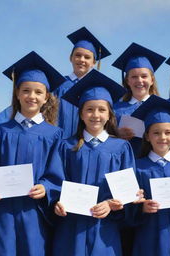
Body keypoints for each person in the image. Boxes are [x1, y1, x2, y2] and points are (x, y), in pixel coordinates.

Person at [52, 69, 138, 256]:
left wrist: (110, 204)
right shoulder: (67, 146)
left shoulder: (121, 148)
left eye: (101, 110)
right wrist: (56, 202)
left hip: (105, 229)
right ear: (81, 114)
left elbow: (128, 193)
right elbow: (55, 181)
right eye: (89, 109)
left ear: (109, 115)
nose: (95, 115)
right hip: (71, 227)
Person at [0, 51, 65, 256]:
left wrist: (46, 187)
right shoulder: (1, 131)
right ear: (17, 94)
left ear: (46, 98)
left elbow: (58, 173)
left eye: (38, 92)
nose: (31, 96)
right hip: (3, 210)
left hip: (35, 212)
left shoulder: (55, 135)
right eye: (26, 90)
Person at [131, 95, 170, 256]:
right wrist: (140, 207)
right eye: (156, 133)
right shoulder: (136, 168)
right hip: (149, 238)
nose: (163, 137)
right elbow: (127, 207)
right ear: (147, 136)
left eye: (168, 132)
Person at [54, 26, 111, 138]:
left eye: (87, 57)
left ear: (94, 62)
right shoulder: (59, 85)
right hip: (59, 143)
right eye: (78, 55)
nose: (82, 60)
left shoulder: (98, 90)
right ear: (71, 58)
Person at [112, 42, 166, 158]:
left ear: (152, 80)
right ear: (127, 81)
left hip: (153, 166)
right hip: (124, 165)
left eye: (144, 76)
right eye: (134, 77)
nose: (139, 81)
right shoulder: (115, 109)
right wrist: (116, 134)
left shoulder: (162, 108)